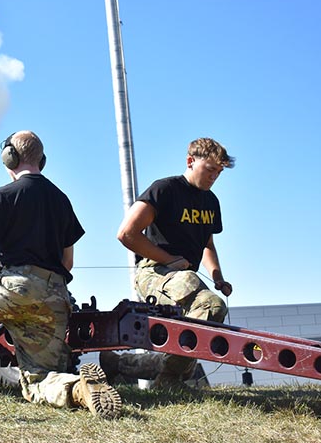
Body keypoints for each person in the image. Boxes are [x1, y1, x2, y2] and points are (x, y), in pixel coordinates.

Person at [0, 130, 122, 419]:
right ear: (41, 160)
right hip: (56, 297)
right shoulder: (62, 200)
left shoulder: (4, 196)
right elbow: (67, 263)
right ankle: (79, 389)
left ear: (9, 158)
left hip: (14, 288)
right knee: (39, 379)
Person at [100, 137, 235, 391]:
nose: (214, 176)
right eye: (210, 169)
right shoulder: (164, 190)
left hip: (184, 278)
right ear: (190, 161)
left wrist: (217, 277)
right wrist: (169, 260)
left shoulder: (211, 202)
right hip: (153, 273)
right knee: (211, 305)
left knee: (206, 316)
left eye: (219, 172)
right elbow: (126, 233)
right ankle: (169, 379)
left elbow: (207, 244)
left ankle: (121, 365)